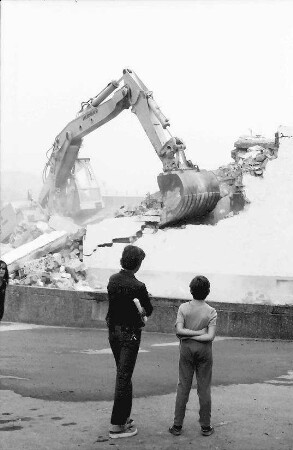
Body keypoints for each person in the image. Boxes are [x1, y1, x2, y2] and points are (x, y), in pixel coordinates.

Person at [106, 245, 153, 439]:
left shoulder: (113, 280)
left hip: (113, 332)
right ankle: (117, 425)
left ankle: (124, 418)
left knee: (123, 374)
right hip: (131, 334)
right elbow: (148, 310)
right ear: (138, 263)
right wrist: (141, 309)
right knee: (124, 377)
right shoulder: (138, 286)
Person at [169, 275, 217, 437]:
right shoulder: (211, 311)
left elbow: (179, 331)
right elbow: (209, 337)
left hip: (186, 350)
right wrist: (199, 333)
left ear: (190, 290)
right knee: (204, 388)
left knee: (183, 386)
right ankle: (205, 426)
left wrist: (188, 335)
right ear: (208, 292)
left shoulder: (183, 308)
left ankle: (177, 425)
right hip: (204, 351)